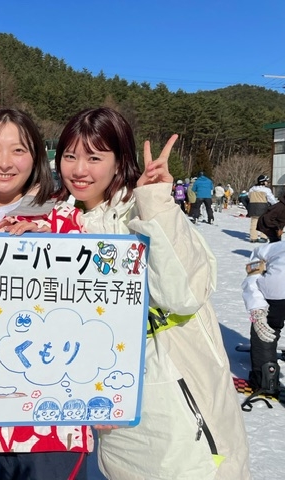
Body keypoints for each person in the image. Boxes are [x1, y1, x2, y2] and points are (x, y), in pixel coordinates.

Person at [53, 107, 250, 479]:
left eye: (94, 157)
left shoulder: (141, 212)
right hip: (116, 427)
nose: (79, 170)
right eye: (70, 156)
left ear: (118, 161)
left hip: (184, 423)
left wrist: (157, 202)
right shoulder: (61, 224)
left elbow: (185, 293)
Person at [0, 108, 90, 480]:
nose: (5, 163)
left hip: (53, 425)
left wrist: (51, 247)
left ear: (37, 157)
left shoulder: (64, 220)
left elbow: (95, 303)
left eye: (19, 150)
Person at [241, 238, 285, 408]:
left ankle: (265, 380)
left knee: (267, 330)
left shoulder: (267, 250)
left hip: (276, 293)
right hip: (277, 289)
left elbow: (253, 278)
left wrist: (257, 311)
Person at [247, 174, 277, 243]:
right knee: (264, 223)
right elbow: (271, 199)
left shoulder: (252, 189)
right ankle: (263, 237)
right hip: (263, 208)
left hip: (253, 208)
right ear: (262, 182)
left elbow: (249, 197)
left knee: (254, 222)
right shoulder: (266, 190)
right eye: (266, 181)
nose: (267, 182)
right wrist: (275, 205)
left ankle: (253, 237)